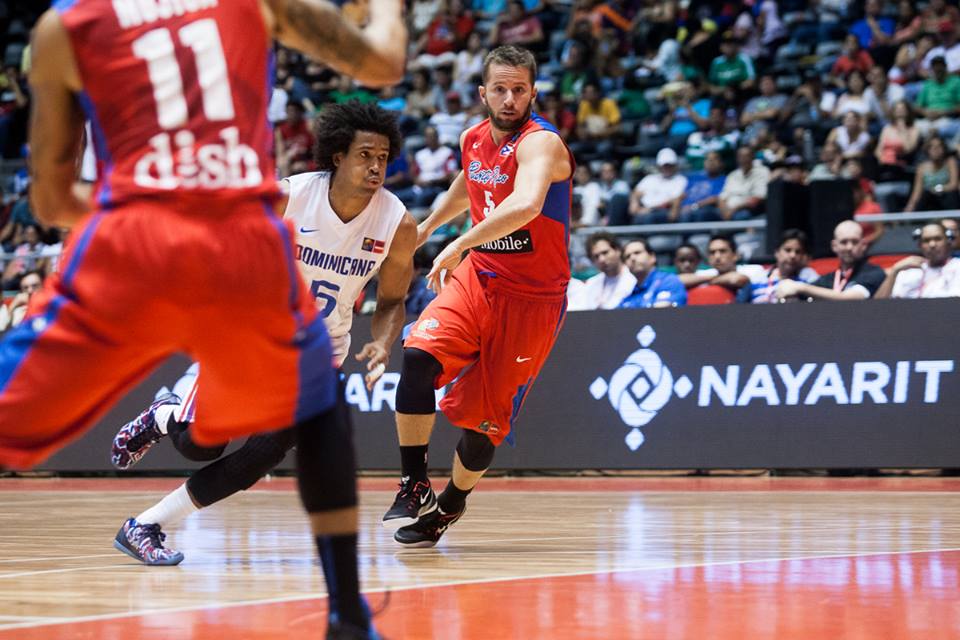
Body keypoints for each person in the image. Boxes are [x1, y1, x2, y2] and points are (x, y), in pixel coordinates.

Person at [7, 3, 406, 639]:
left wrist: (140, 216)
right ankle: (349, 617)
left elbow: (52, 201)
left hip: (132, 236)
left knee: (12, 415)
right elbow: (384, 60)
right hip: (237, 236)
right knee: (317, 408)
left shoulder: (62, 27)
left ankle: (162, 463)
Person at [110, 102, 416, 565]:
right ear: (337, 156)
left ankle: (147, 525)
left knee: (264, 453)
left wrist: (382, 341)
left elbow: (392, 300)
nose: (376, 166)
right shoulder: (288, 198)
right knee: (199, 445)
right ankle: (166, 415)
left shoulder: (398, 223)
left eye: (383, 157)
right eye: (365, 155)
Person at [381, 45, 573, 547]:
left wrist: (461, 241)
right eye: (500, 89)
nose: (509, 99)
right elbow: (470, 185)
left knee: (484, 425)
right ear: (482, 92)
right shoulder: (472, 137)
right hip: (481, 276)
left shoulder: (542, 144)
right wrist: (423, 230)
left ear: (533, 92)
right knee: (419, 354)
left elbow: (527, 203)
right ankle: (413, 482)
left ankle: (449, 506)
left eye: (519, 89)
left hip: (533, 297)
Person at [774, 221, 886, 301]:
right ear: (834, 246)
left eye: (855, 242)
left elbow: (852, 299)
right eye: (844, 242)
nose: (849, 247)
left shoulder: (873, 273)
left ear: (863, 245)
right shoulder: (825, 280)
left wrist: (800, 287)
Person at [875, 222, 960, 299]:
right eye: (926, 240)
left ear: (948, 241)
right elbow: (878, 307)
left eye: (938, 239)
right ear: (920, 245)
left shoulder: (957, 266)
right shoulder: (909, 270)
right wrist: (894, 271)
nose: (932, 244)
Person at [746, 229, 819, 303]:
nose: (793, 255)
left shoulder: (808, 275)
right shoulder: (758, 277)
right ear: (777, 252)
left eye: (798, 252)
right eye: (788, 250)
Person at [569, 232, 636, 310]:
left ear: (617, 250)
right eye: (596, 256)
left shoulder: (634, 279)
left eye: (605, 253)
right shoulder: (591, 284)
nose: (602, 259)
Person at [618, 238, 687, 308]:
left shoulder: (669, 281)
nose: (632, 258)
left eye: (637, 253)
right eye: (627, 257)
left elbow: (663, 312)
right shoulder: (629, 295)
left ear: (652, 257)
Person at [676, 235, 751, 295]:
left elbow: (737, 280)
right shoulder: (707, 274)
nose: (717, 256)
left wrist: (711, 280)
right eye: (712, 252)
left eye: (722, 251)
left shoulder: (753, 270)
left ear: (735, 255)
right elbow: (678, 280)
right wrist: (715, 278)